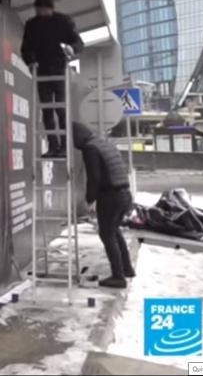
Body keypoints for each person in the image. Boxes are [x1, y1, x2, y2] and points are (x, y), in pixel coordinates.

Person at [72, 122, 135, 289]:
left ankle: (118, 277)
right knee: (114, 231)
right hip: (124, 193)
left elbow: (94, 177)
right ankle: (127, 269)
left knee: (107, 235)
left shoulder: (90, 149)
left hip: (110, 196)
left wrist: (89, 199)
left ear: (77, 137)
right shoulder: (105, 144)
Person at [21, 0, 84, 157]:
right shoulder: (31, 25)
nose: (40, 13)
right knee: (47, 110)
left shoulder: (63, 21)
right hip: (41, 70)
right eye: (38, 10)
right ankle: (53, 146)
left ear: (50, 8)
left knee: (60, 108)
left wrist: (72, 48)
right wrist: (31, 61)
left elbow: (79, 42)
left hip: (58, 70)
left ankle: (64, 146)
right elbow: (26, 47)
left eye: (43, 10)